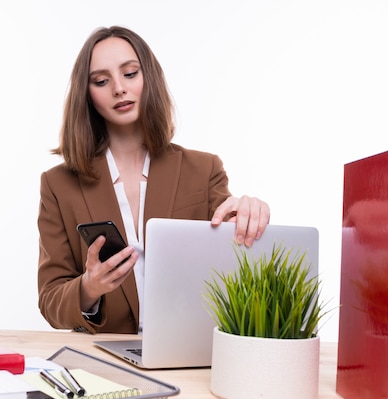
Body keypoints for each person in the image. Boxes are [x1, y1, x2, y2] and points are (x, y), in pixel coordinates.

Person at [37, 26, 270, 334]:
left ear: (150, 78)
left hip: (187, 352)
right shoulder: (59, 184)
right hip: (103, 356)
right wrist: (89, 288)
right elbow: (51, 299)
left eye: (130, 73)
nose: (119, 88)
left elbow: (231, 244)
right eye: (101, 81)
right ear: (87, 94)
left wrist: (247, 212)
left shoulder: (204, 169)